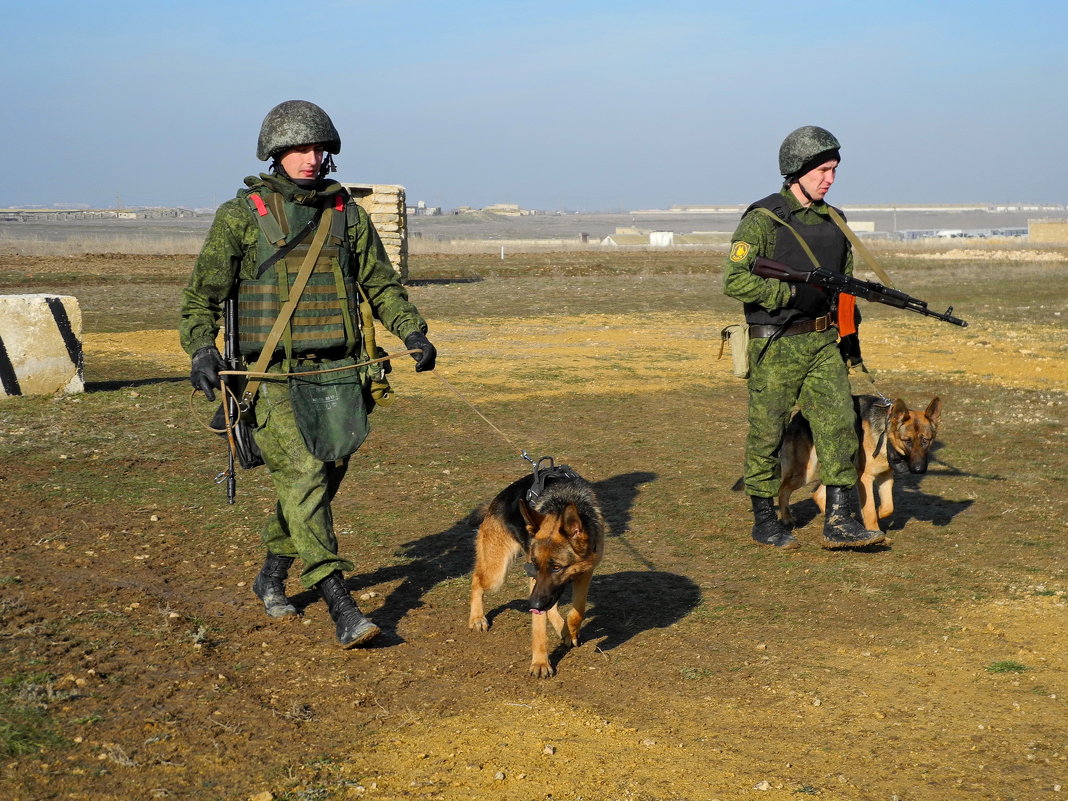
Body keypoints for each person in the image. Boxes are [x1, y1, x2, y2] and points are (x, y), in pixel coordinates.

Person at [179, 100, 437, 646]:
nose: (311, 158)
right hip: (270, 378)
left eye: (319, 148)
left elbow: (380, 284)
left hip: (343, 373)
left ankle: (272, 574)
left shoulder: (347, 215)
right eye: (299, 148)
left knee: (320, 480)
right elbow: (202, 296)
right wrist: (202, 350)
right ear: (276, 153)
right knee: (303, 478)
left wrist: (411, 331)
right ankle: (341, 605)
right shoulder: (242, 215)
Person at [722, 125, 885, 551]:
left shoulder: (836, 223)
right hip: (775, 342)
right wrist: (788, 293)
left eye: (834, 170)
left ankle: (839, 519)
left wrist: (850, 335)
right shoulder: (763, 219)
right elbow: (735, 280)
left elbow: (844, 289)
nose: (829, 178)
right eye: (822, 170)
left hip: (820, 342)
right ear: (796, 170)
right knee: (768, 433)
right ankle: (765, 519)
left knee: (839, 427)